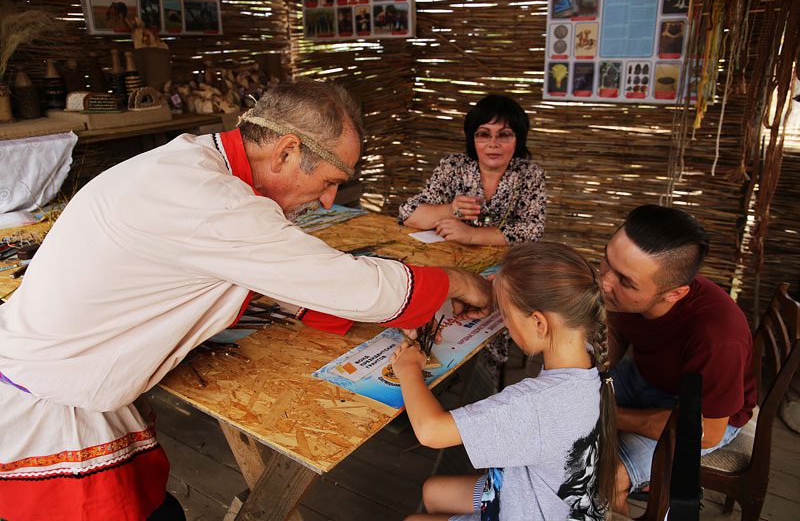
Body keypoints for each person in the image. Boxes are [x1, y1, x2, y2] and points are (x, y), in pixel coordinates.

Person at [0, 80, 493, 519]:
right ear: (285, 151)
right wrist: (452, 281)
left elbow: (268, 270)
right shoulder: (210, 200)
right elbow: (351, 285)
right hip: (56, 410)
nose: (327, 201)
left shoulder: (196, 162)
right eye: (330, 182)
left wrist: (321, 306)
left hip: (65, 383)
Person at [392, 242, 617, 520]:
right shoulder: (588, 358)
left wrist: (408, 369)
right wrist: (499, 290)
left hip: (530, 510)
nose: (505, 325)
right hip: (548, 497)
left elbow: (430, 431)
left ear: (539, 323)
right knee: (433, 491)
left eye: (506, 316)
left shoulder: (536, 405)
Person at [600, 204, 756, 515]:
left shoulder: (719, 339)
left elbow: (704, 431)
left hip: (704, 417)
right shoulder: (623, 289)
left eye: (626, 281)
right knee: (560, 421)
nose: (605, 281)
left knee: (608, 478)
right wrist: (597, 371)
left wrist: (610, 414)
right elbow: (618, 329)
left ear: (674, 293)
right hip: (647, 375)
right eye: (607, 259)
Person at [398, 94, 546, 248]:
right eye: (484, 134)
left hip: (505, 263)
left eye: (504, 135)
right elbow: (408, 214)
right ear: (472, 139)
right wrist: (451, 209)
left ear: (518, 139)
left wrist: (471, 235)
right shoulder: (454, 167)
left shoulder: (529, 174)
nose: (493, 144)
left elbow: (532, 232)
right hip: (450, 256)